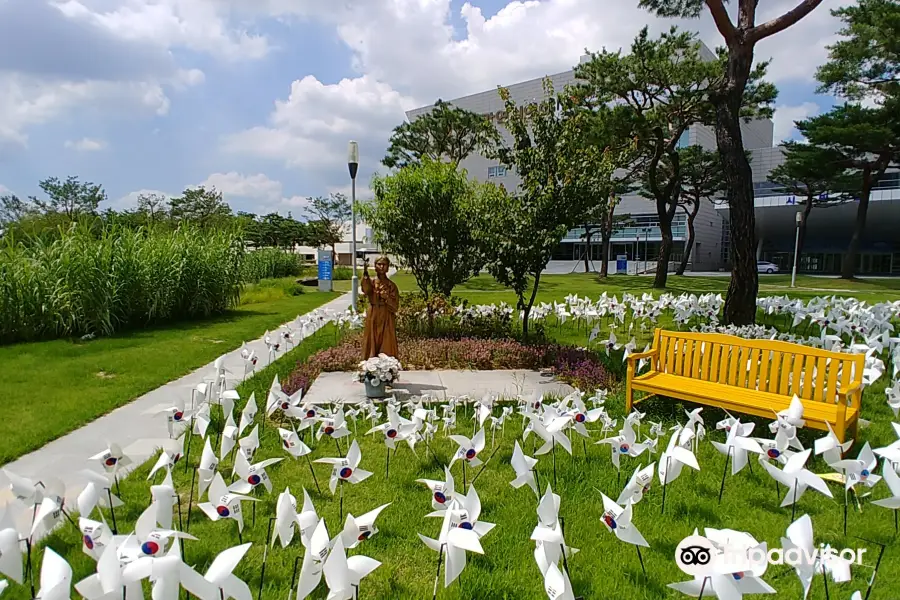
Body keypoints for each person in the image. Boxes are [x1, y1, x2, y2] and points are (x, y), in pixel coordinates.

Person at [361, 255, 399, 359]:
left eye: (384, 264)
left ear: (387, 267)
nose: (381, 267)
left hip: (386, 313)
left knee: (386, 337)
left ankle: (387, 360)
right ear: (375, 266)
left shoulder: (391, 285)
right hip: (373, 312)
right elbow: (366, 289)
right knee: (371, 336)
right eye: (379, 264)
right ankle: (370, 358)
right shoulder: (372, 282)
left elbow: (395, 306)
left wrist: (386, 298)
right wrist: (365, 273)